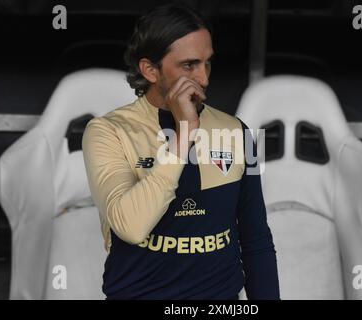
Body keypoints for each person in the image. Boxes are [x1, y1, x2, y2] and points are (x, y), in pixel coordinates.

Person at [82, 3, 279, 300]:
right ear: (150, 70)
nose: (204, 79)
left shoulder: (236, 131)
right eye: (189, 65)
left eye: (207, 63)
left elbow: (256, 241)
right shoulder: (108, 131)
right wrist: (185, 132)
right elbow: (131, 227)